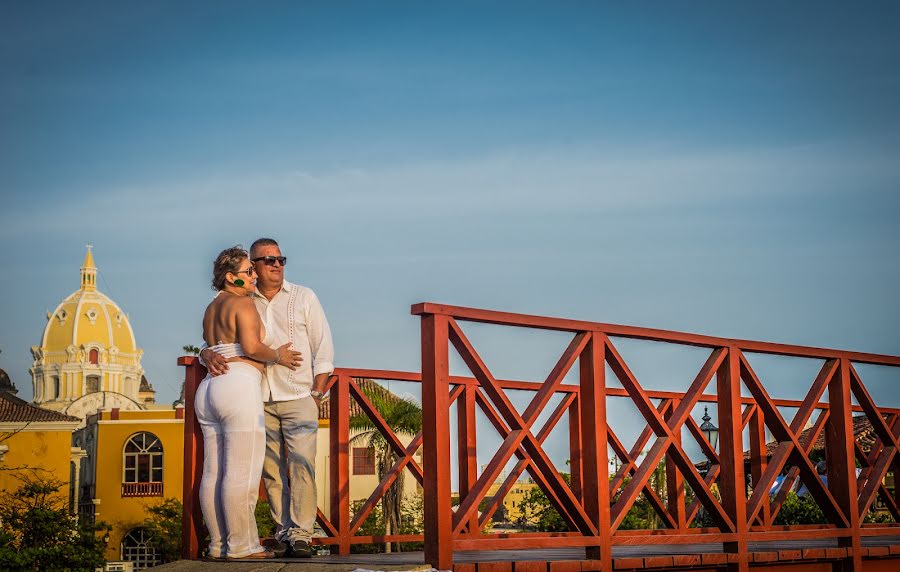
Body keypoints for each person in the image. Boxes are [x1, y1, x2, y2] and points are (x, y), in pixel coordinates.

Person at [202, 238, 334, 559]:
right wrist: (206, 353)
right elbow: (231, 344)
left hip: (298, 395)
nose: (276, 265)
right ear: (254, 268)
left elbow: (324, 350)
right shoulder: (246, 297)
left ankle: (302, 534)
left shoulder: (304, 296)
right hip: (256, 397)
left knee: (302, 466)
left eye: (280, 259)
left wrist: (316, 393)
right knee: (269, 472)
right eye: (266, 261)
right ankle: (284, 532)